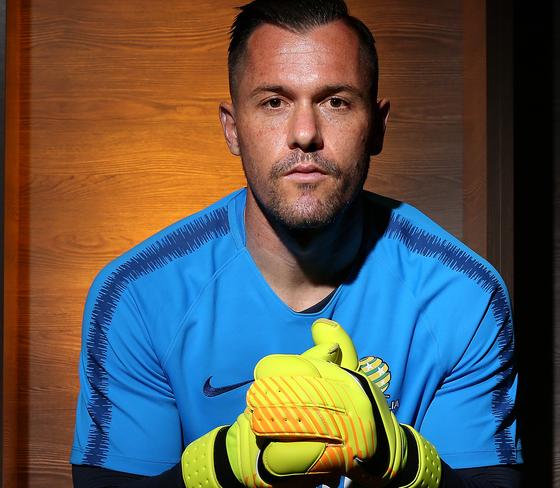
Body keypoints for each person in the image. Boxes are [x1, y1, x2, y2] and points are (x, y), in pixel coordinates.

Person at [70, 1, 523, 487]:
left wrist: (404, 461)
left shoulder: (465, 296)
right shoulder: (138, 295)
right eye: (273, 102)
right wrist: (220, 467)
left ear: (377, 126)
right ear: (232, 128)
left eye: (336, 101)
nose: (305, 134)